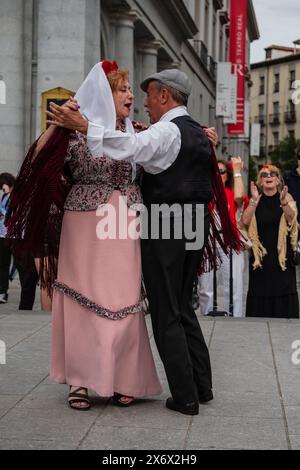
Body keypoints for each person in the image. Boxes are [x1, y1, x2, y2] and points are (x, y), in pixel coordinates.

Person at [48, 68, 241, 415]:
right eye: (125, 91)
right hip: (186, 225)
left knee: (166, 311)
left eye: (147, 95)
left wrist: (82, 126)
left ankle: (184, 397)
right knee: (182, 307)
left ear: (164, 96)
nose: (142, 102)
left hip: (163, 227)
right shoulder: (193, 130)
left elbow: (132, 147)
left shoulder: (160, 130)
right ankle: (201, 386)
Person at [8, 61, 164, 410]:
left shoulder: (135, 131)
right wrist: (59, 120)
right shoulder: (73, 131)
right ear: (103, 94)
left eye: (128, 91)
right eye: (122, 89)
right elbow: (34, 160)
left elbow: (164, 146)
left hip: (123, 219)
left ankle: (126, 378)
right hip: (83, 222)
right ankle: (79, 381)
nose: (129, 96)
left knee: (125, 298)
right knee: (81, 297)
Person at [243, 165, 299, 318]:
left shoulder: (286, 197)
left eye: (273, 174)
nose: (269, 176)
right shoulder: (256, 200)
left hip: (282, 257)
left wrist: (283, 203)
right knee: (261, 290)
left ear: (277, 179)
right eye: (264, 174)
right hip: (260, 258)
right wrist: (253, 201)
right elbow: (245, 221)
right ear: (260, 181)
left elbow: (291, 220)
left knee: (282, 289)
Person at [198, 157, 249, 317]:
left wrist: (238, 171)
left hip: (229, 241)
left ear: (227, 175)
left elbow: (240, 197)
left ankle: (234, 317)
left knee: (234, 284)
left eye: (222, 171)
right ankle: (207, 314)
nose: (219, 174)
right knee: (205, 286)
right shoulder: (203, 193)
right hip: (207, 241)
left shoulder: (231, 192)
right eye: (215, 172)